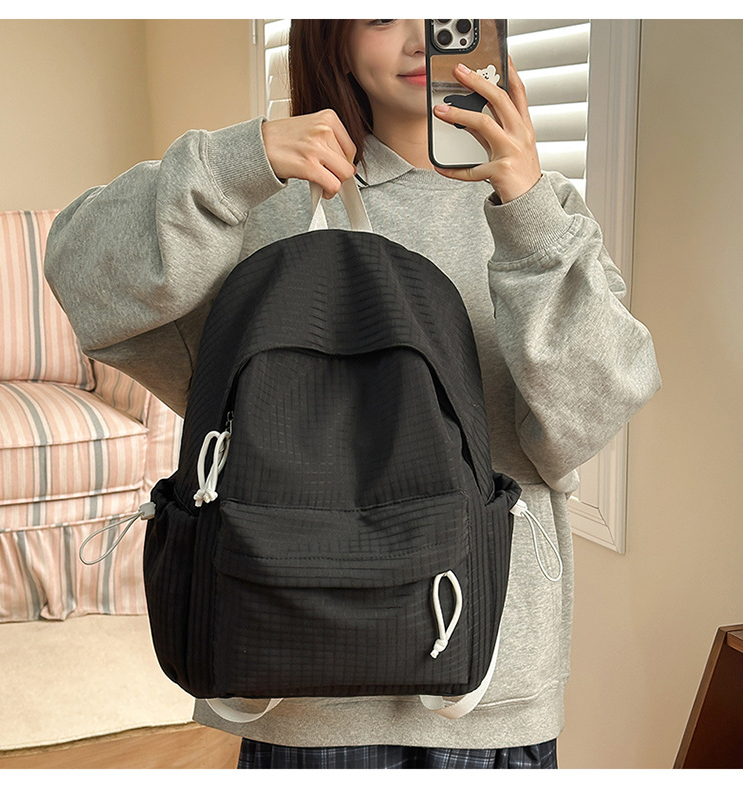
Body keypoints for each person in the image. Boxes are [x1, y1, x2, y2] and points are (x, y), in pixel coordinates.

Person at [44, 19, 661, 769]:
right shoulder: (262, 200)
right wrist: (236, 162)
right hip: (293, 682)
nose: (418, 38)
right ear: (331, 34)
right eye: (379, 13)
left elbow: (589, 415)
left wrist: (527, 209)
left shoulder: (541, 210)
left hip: (489, 684)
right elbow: (81, 275)